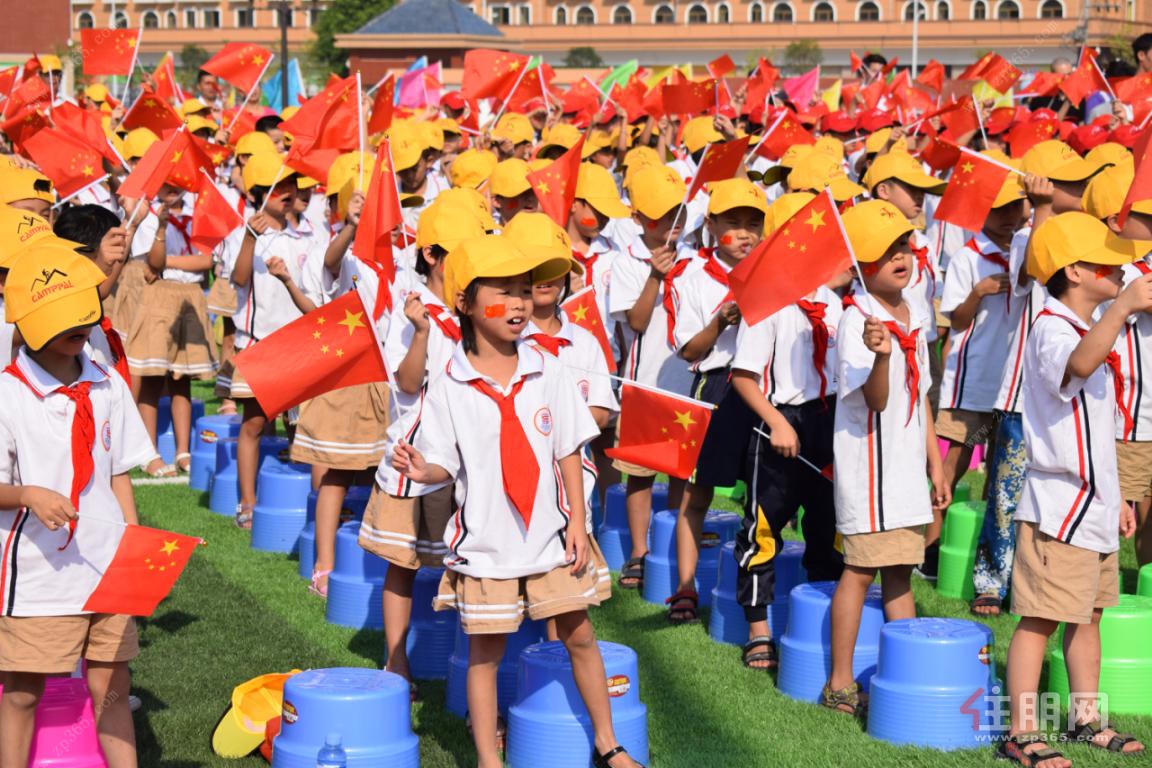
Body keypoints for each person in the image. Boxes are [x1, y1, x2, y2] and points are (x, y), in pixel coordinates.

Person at [392, 235, 644, 768]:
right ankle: (488, 759)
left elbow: (569, 447)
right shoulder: (450, 384)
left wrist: (578, 519)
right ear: (464, 301)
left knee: (579, 635)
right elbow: (443, 461)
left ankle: (609, 743)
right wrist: (424, 469)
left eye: (524, 292)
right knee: (485, 656)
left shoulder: (548, 367)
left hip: (550, 536)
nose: (518, 304)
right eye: (502, 292)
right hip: (487, 543)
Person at [1000, 212, 1148, 766]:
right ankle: (1020, 731)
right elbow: (1077, 367)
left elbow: (1097, 426)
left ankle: (1087, 719)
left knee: (1090, 614)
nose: (1123, 268)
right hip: (1059, 506)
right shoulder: (1051, 328)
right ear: (1077, 270)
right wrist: (1125, 306)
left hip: (1095, 504)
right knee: (1040, 616)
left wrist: (1118, 501)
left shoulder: (1089, 326)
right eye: (1110, 260)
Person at [0, 241, 155, 768]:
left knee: (112, 685)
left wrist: (134, 545)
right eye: (65, 320)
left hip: (109, 562)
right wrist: (26, 495)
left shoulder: (106, 382)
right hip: (40, 574)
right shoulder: (7, 395)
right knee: (22, 690)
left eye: (86, 316)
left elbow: (118, 472)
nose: (82, 329)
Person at [823, 200, 949, 717]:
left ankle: (905, 675)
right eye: (885, 252)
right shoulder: (856, 319)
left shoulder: (914, 311)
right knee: (859, 571)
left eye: (903, 246)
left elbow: (919, 397)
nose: (901, 257)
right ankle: (838, 682)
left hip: (904, 469)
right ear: (859, 265)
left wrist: (935, 465)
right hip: (869, 470)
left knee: (900, 571)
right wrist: (880, 355)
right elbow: (875, 399)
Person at [730, 191, 846, 669]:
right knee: (764, 528)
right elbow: (743, 375)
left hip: (828, 421)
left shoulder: (834, 303)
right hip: (779, 425)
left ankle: (821, 616)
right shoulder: (769, 303)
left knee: (829, 524)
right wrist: (776, 421)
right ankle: (758, 627)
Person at [926, 161, 1029, 579]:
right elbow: (957, 320)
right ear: (981, 214)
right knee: (953, 464)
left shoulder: (1026, 251)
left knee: (998, 470)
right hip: (970, 383)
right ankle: (930, 550)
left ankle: (978, 554)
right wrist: (979, 292)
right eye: (999, 210)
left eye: (1015, 209)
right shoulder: (969, 257)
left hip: (1010, 385)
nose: (1009, 218)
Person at [668, 178, 763, 624]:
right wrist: (722, 320)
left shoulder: (770, 270)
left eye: (753, 223)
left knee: (764, 494)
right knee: (697, 492)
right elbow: (689, 350)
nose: (745, 234)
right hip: (717, 386)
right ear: (710, 225)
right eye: (733, 223)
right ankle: (686, 586)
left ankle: (760, 584)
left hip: (765, 387)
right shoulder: (692, 275)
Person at [606, 165, 694, 591]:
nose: (672, 224)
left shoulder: (696, 258)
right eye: (662, 215)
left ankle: (671, 547)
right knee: (639, 472)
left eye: (678, 212)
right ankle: (640, 552)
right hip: (644, 382)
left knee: (681, 474)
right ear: (638, 218)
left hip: (688, 380)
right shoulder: (627, 261)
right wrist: (655, 276)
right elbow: (637, 323)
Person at [228, 153, 322, 529]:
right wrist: (251, 239)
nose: (287, 193)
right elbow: (236, 279)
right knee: (253, 424)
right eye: (277, 187)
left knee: (300, 426)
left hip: (300, 344)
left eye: (290, 187)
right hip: (260, 343)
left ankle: (302, 502)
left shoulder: (309, 233)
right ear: (257, 193)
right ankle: (248, 503)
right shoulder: (242, 231)